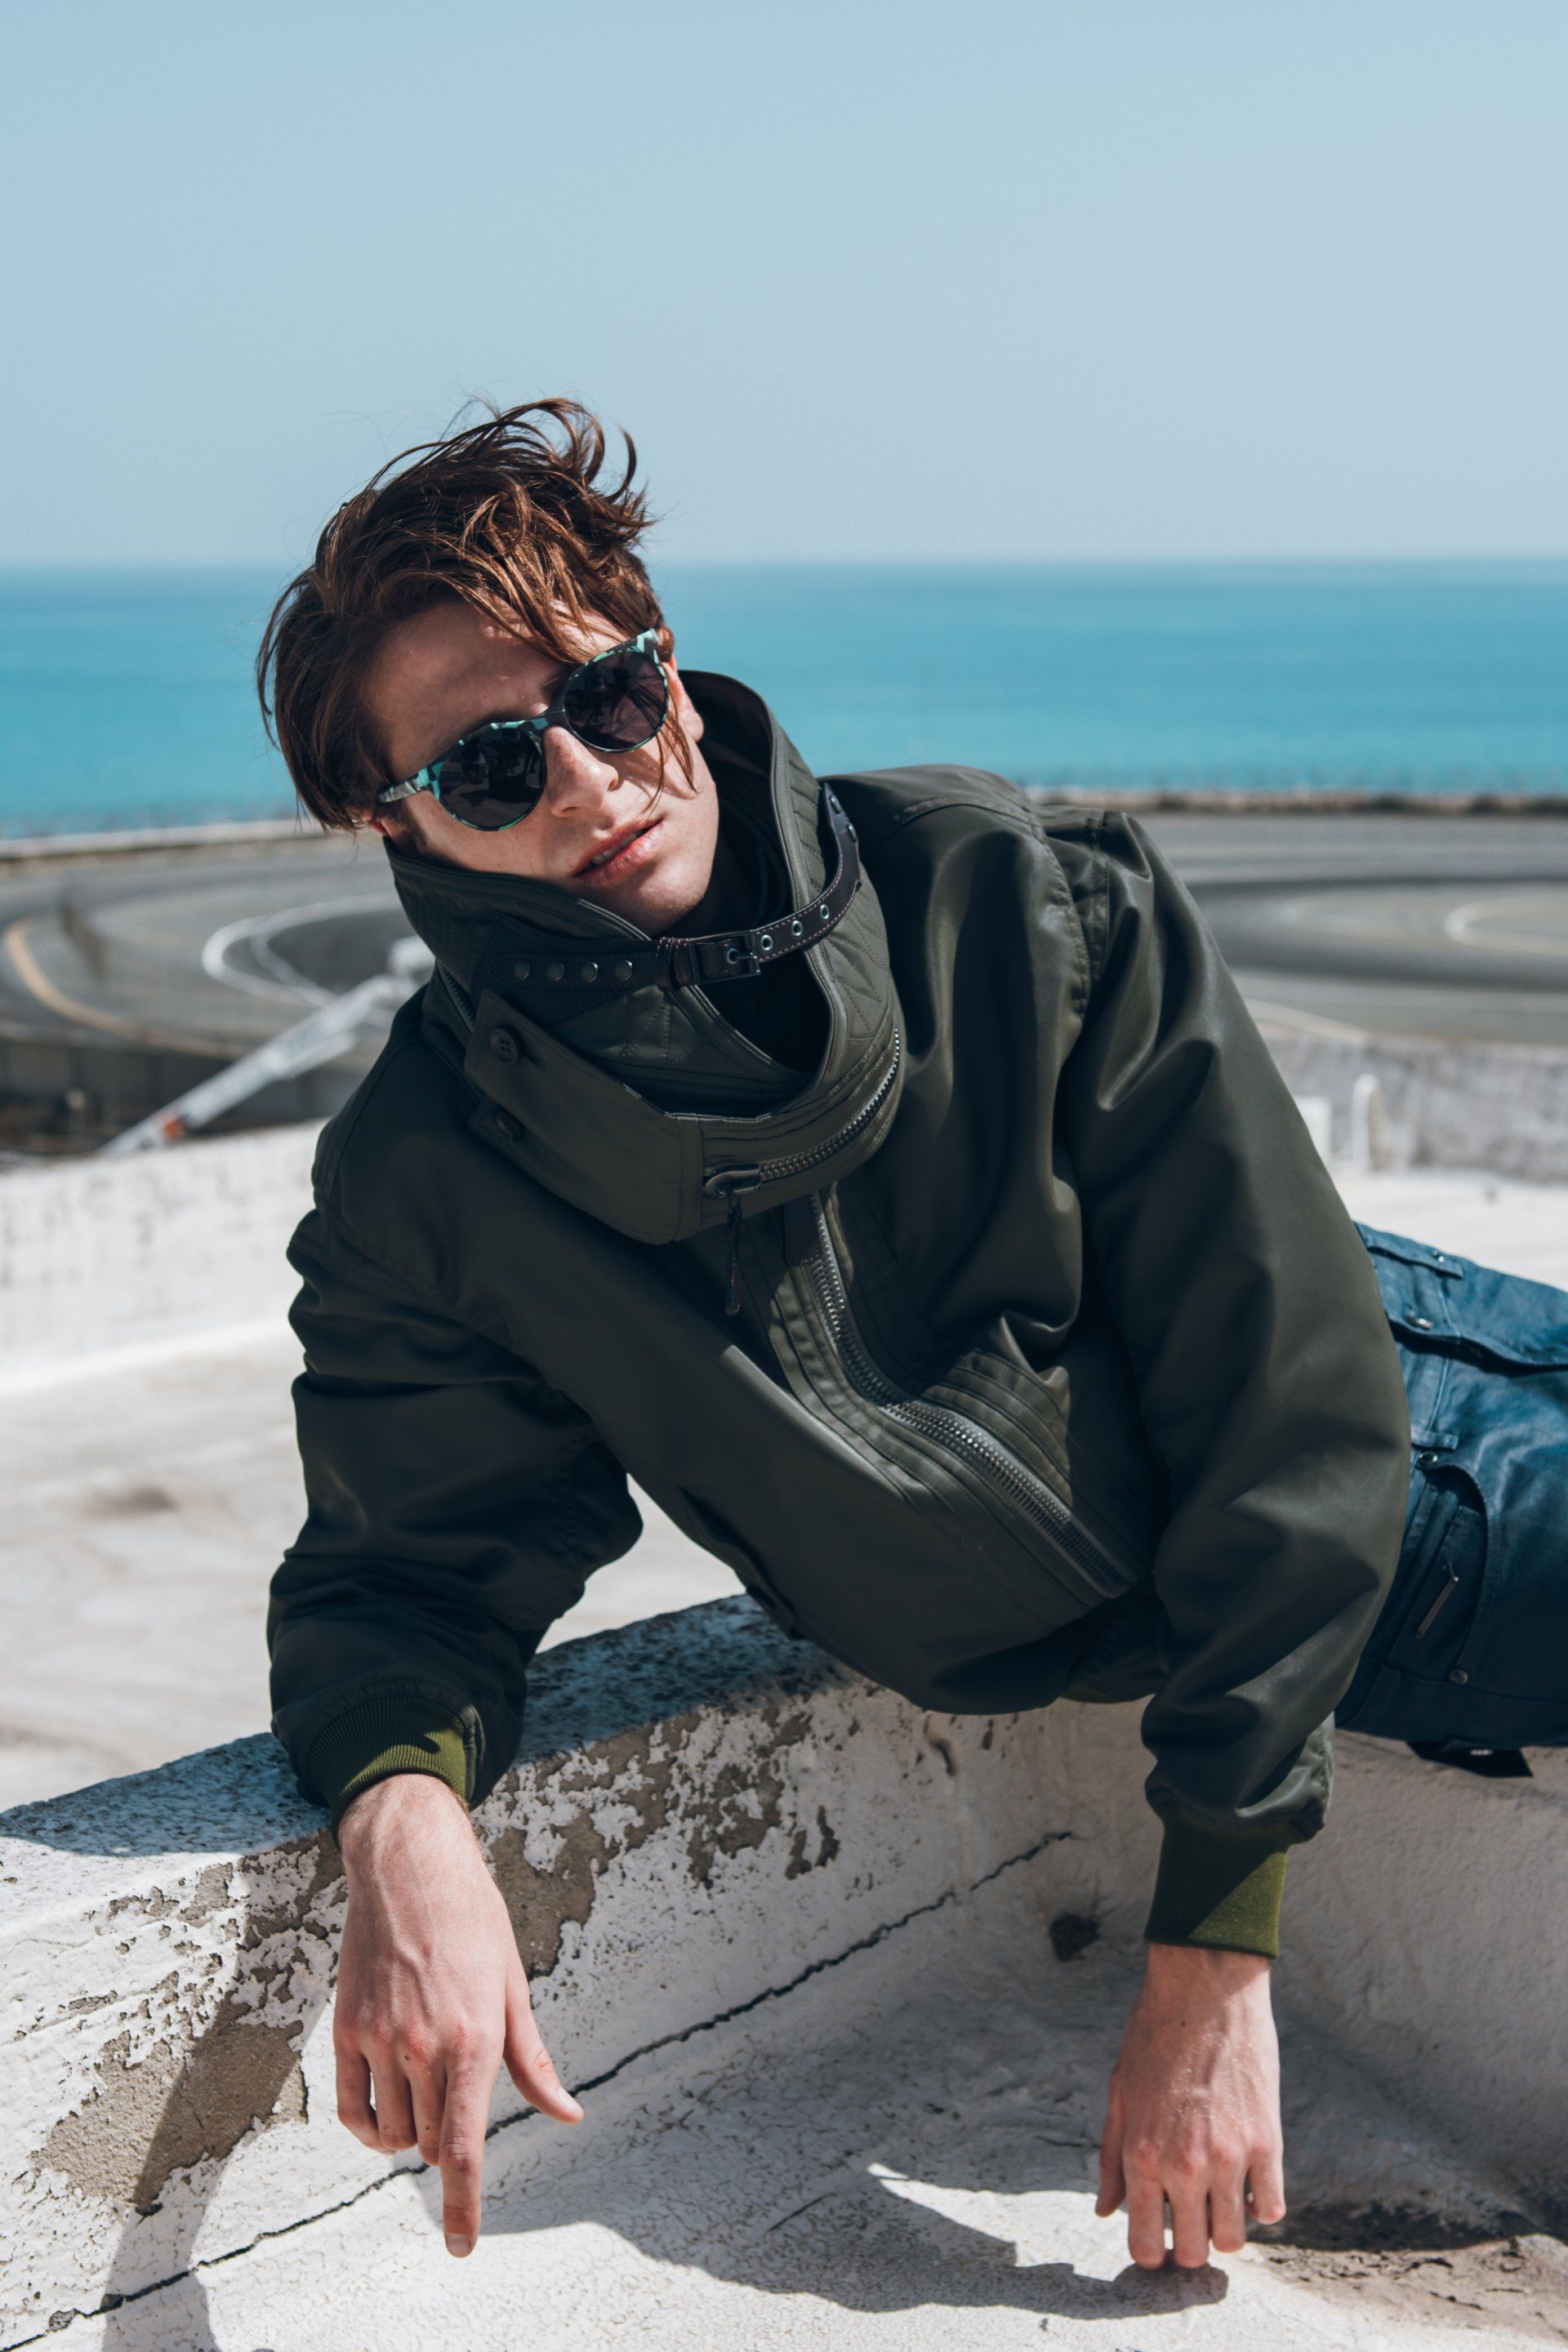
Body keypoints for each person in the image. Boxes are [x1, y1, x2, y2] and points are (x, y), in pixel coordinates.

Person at [256, 400, 1568, 2276]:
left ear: (676, 679)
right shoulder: (433, 1174)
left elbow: (1294, 1418)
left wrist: (1212, 1953)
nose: (588, 782)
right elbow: (403, 1572)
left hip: (1431, 1467)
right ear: (397, 825)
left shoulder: (1006, 893)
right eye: (488, 767)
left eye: (609, 699)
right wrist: (406, 1831)